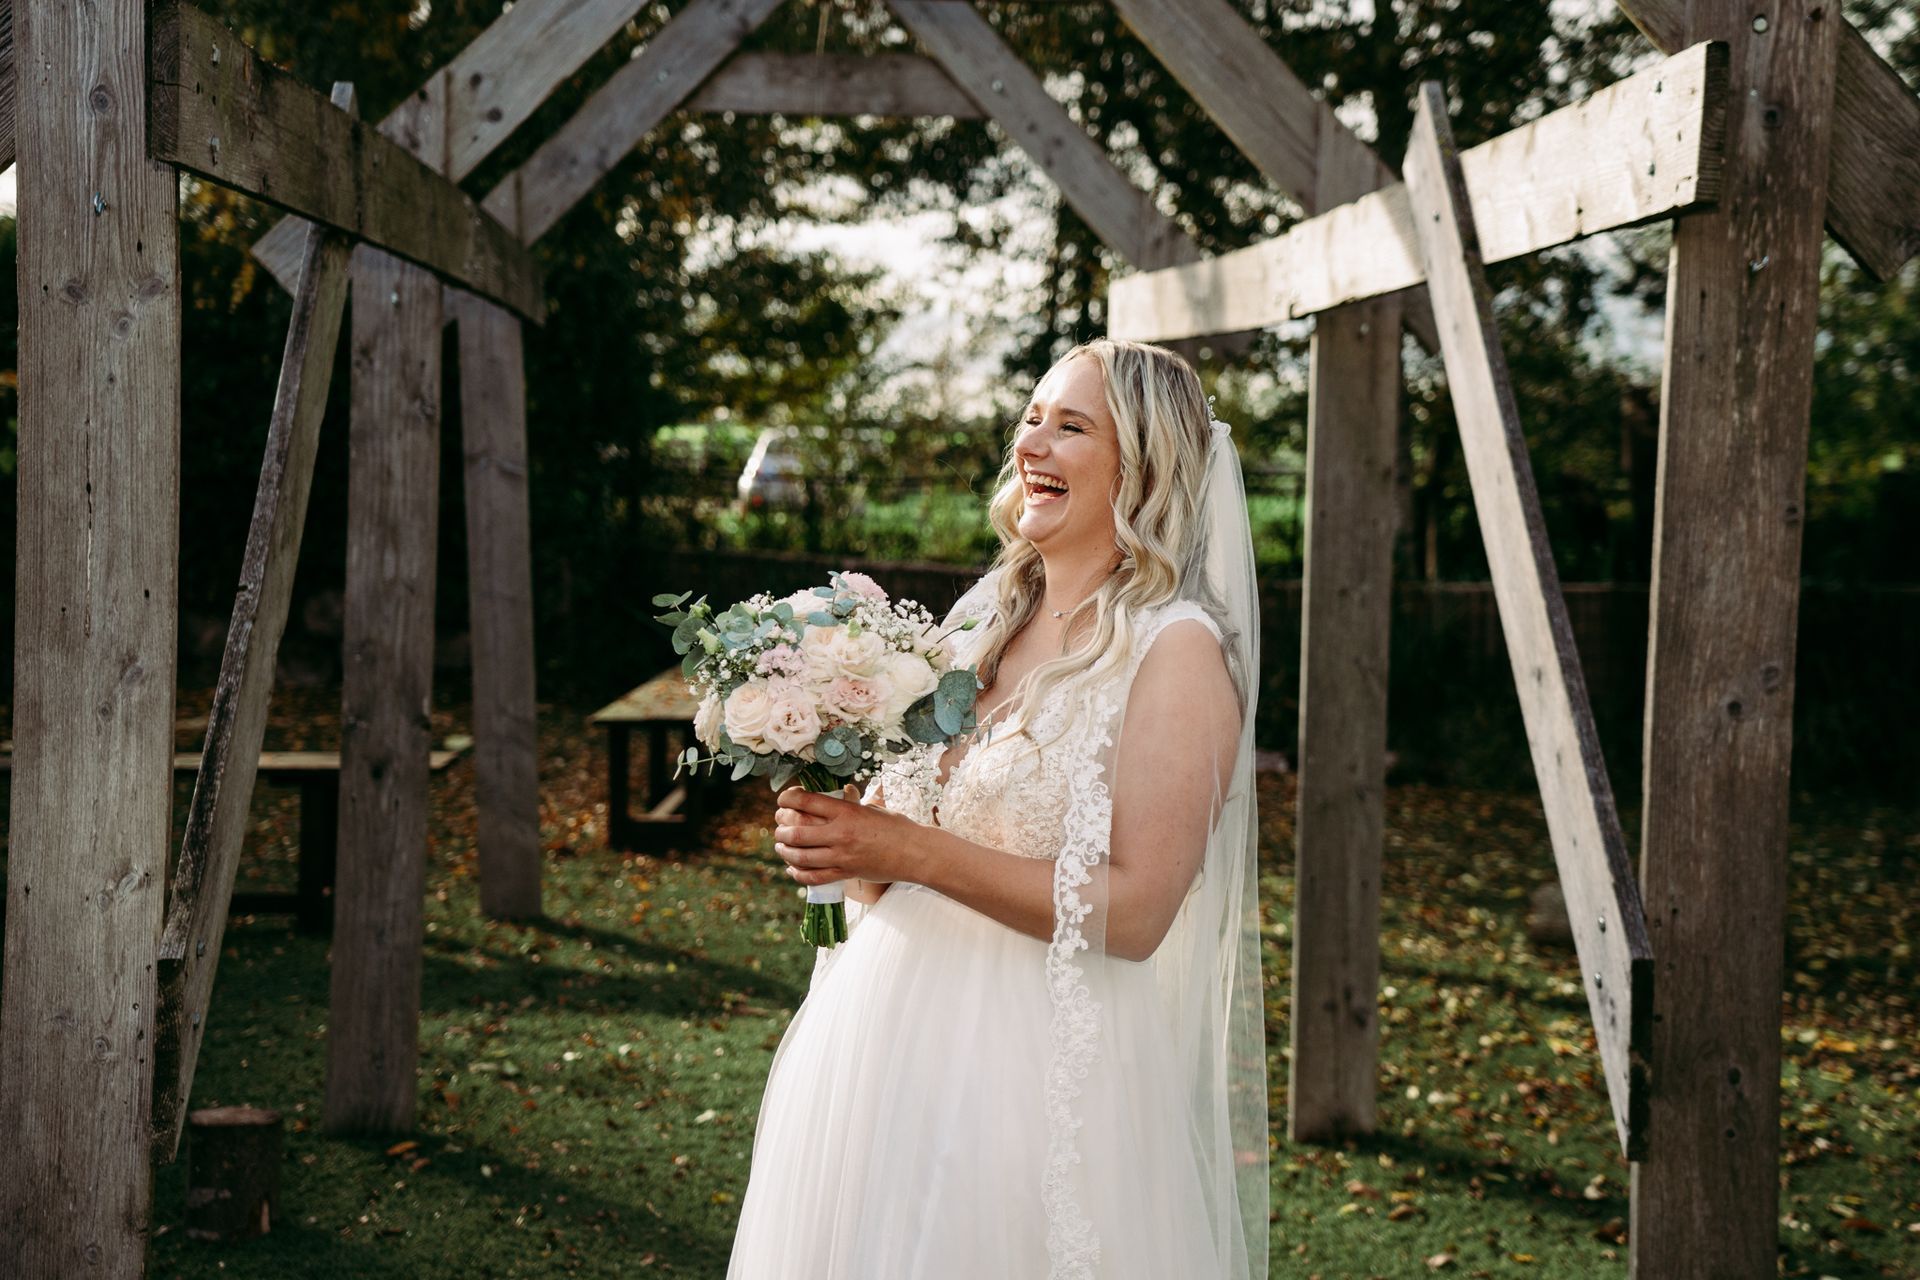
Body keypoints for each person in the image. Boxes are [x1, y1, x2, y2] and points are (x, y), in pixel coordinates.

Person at [727, 339, 1267, 1279]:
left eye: (1072, 427)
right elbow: (893, 866)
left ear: (1142, 466)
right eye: (1031, 418)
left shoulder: (1175, 649)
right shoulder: (979, 622)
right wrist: (848, 844)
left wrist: (911, 851)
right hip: (876, 1048)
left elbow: (1140, 912)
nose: (1032, 445)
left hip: (1033, 1079)